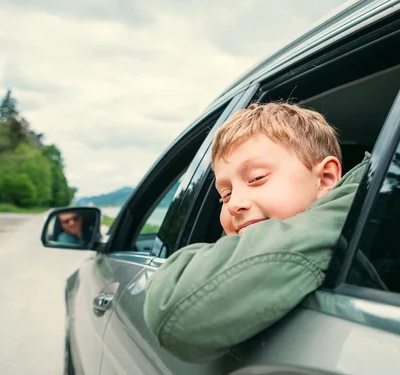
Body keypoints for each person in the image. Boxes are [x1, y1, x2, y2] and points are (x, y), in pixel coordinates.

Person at [143, 102, 371, 363]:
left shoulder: (357, 228)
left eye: (256, 178)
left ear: (326, 179)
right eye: (224, 194)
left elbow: (173, 310)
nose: (234, 203)